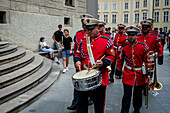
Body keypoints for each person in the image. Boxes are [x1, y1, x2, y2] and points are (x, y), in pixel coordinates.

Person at [74, 18, 115, 113]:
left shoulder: (106, 41)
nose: (89, 31)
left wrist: (103, 62)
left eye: (91, 29)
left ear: (98, 28)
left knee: (99, 103)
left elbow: (111, 56)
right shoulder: (83, 41)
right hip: (85, 73)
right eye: (88, 29)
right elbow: (78, 53)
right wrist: (77, 60)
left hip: (99, 75)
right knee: (81, 102)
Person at [115, 26, 149, 113]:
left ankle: (137, 109)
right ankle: (124, 110)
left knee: (138, 94)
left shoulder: (143, 47)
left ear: (136, 36)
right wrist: (118, 71)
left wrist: (148, 73)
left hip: (139, 73)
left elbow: (147, 60)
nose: (131, 37)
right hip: (127, 72)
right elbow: (120, 60)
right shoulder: (124, 47)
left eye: (133, 35)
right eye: (129, 35)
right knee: (127, 94)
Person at [67, 14, 94, 110]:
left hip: (91, 64)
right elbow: (76, 49)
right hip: (80, 63)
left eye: (86, 22)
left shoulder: (93, 34)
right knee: (78, 83)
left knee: (89, 83)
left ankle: (90, 97)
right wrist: (76, 60)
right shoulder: (78, 34)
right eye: (83, 22)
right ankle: (76, 102)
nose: (84, 24)